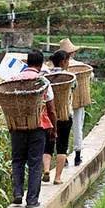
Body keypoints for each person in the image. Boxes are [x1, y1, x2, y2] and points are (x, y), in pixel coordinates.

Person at [9, 49, 56, 208]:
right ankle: (32, 200)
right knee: (35, 162)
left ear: (27, 63)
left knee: (18, 160)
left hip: (17, 126)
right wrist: (54, 128)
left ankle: (18, 192)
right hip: (37, 126)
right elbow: (51, 109)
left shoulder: (14, 80)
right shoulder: (43, 82)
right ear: (41, 64)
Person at [42, 49, 75, 184]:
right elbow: (74, 89)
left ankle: (46, 170)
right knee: (62, 146)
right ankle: (57, 178)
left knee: (48, 145)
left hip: (50, 116)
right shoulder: (70, 77)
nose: (68, 63)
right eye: (67, 61)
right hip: (65, 115)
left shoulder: (47, 78)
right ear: (63, 62)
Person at [58, 38, 88, 166]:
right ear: (72, 53)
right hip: (78, 100)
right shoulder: (80, 65)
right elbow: (90, 75)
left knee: (62, 131)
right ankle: (77, 157)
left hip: (63, 103)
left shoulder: (57, 67)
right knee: (77, 127)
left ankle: (63, 158)